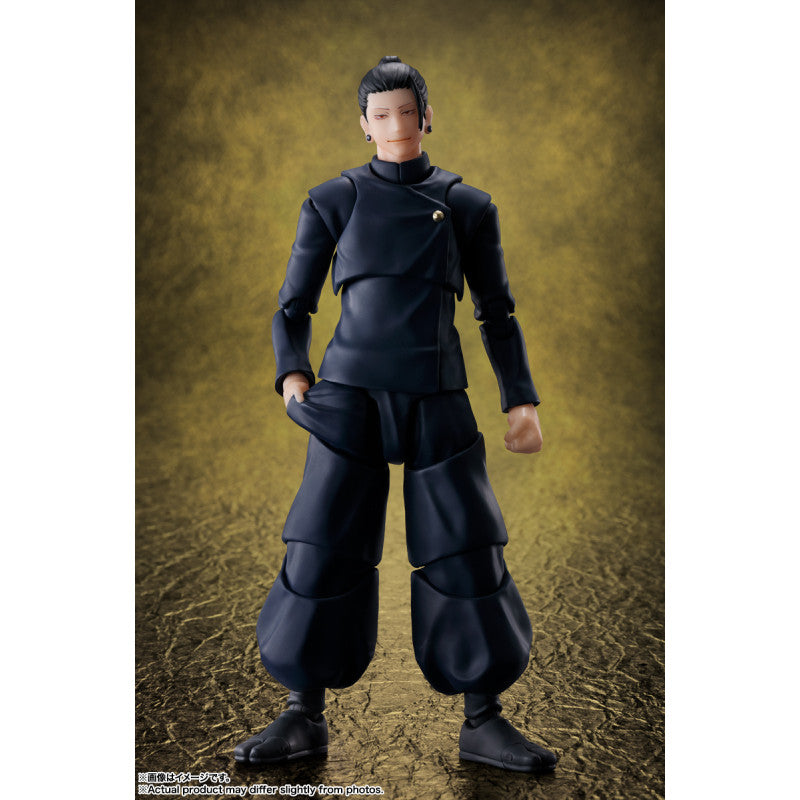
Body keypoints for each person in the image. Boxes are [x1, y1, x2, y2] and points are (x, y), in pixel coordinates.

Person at [234, 56, 557, 774]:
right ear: (364, 124)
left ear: (427, 116)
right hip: (348, 398)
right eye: (382, 115)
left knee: (466, 544)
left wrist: (521, 400)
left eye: (407, 112)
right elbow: (293, 305)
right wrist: (293, 375)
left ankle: (483, 717)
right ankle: (302, 712)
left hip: (437, 394)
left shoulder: (468, 206)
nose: (396, 125)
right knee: (322, 541)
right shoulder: (333, 200)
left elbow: (497, 313)